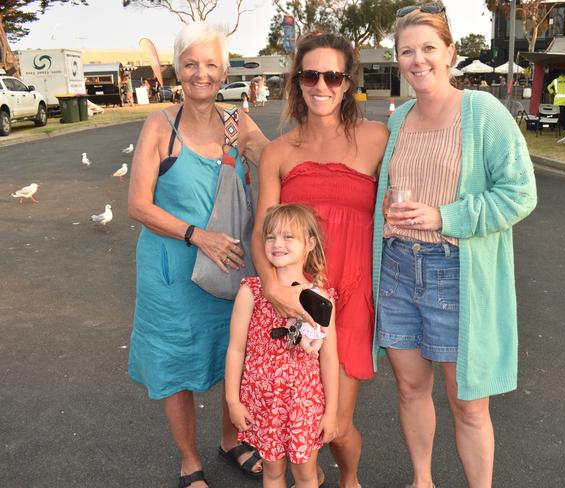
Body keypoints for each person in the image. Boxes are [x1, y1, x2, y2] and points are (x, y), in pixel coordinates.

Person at [372, 4, 537, 488]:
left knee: (468, 400)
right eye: (407, 51)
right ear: (398, 58)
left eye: (428, 48)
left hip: (454, 271)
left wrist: (446, 216)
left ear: (449, 52)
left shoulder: (482, 111)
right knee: (409, 387)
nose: (417, 59)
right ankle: (421, 480)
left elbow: (520, 193)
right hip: (398, 268)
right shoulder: (399, 119)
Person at [127, 22, 269, 488]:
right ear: (177, 70)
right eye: (191, 64)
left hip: (229, 270)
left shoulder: (237, 122)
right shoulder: (159, 126)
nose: (201, 73)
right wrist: (197, 235)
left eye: (211, 64)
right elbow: (138, 204)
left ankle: (231, 440)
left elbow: (276, 165)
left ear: (224, 71)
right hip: (172, 274)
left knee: (235, 354)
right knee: (176, 365)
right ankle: (190, 461)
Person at [252, 32, 388, 488]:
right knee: (302, 420)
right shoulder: (278, 153)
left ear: (348, 82)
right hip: (294, 303)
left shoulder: (376, 139)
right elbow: (262, 230)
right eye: (311, 74)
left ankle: (349, 478)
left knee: (336, 425)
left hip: (350, 299)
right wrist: (272, 287)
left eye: (333, 75)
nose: (322, 85)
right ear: (298, 81)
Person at [226, 203, 339, 488]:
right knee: (272, 472)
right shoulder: (250, 292)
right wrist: (232, 400)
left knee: (305, 474)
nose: (277, 243)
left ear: (310, 243)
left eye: (289, 236)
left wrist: (332, 410)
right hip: (265, 401)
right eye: (271, 236)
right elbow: (236, 349)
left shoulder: (320, 299)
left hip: (304, 402)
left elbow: (329, 358)